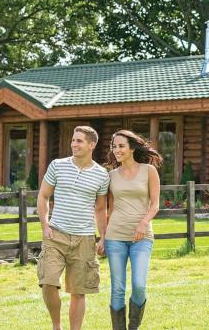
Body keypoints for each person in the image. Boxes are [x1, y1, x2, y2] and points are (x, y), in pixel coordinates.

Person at [37, 126, 110, 330]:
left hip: (85, 238)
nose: (74, 144)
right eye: (73, 140)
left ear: (91, 145)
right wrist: (45, 225)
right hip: (56, 233)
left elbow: (100, 208)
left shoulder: (102, 175)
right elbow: (43, 196)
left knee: (79, 291)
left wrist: (102, 237)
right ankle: (56, 326)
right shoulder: (58, 166)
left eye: (79, 141)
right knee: (48, 281)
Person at [103, 130, 163, 330]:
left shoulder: (148, 171)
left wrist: (143, 223)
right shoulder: (111, 176)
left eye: (121, 146)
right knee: (117, 288)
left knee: (139, 285)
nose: (117, 150)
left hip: (142, 237)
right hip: (115, 236)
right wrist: (103, 238)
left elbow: (155, 204)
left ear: (131, 148)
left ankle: (133, 326)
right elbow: (109, 210)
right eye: (114, 146)